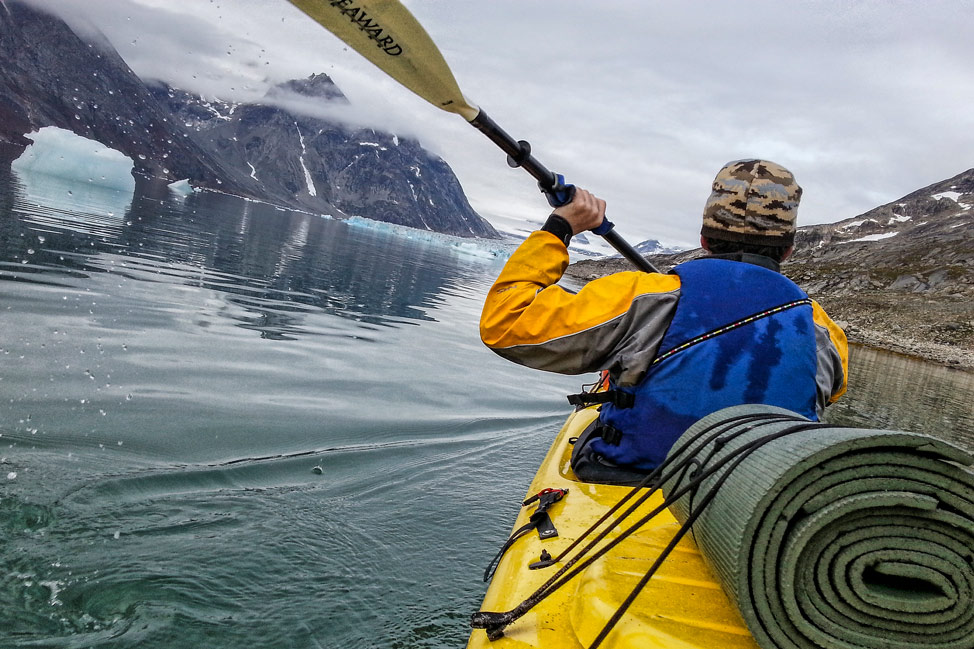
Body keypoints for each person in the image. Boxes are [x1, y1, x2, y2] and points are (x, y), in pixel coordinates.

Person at [480, 159, 848, 480]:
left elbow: (506, 321)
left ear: (704, 239)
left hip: (627, 479)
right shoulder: (824, 331)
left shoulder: (644, 296)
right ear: (787, 250)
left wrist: (559, 227)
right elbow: (827, 392)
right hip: (755, 505)